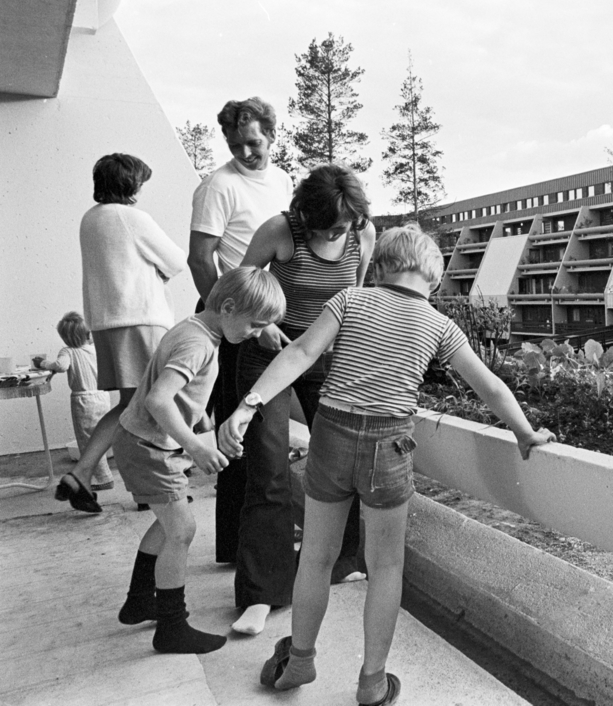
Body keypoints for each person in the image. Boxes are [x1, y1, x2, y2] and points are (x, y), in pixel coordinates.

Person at [219, 225, 554, 705]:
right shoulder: (439, 324)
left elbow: (301, 352)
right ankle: (373, 681)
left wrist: (249, 404)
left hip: (332, 434)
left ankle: (299, 660)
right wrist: (525, 432)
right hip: (388, 444)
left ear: (379, 268)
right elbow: (491, 387)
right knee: (386, 566)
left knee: (315, 557)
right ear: (434, 279)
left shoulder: (350, 300)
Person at [230, 164, 377, 636]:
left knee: (341, 459)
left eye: (349, 224)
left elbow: (354, 295)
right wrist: (265, 322)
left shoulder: (362, 232)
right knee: (269, 467)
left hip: (327, 349)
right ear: (307, 216)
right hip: (269, 351)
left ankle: (343, 561)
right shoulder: (280, 231)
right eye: (332, 225)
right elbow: (241, 285)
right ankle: (261, 593)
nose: (343, 232)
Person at [113, 267, 285, 655]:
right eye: (255, 325)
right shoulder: (199, 344)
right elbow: (159, 400)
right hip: (149, 447)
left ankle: (140, 600)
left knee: (167, 523)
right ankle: (171, 626)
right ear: (227, 307)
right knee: (182, 531)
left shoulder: (197, 331)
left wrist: (207, 429)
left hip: (147, 443)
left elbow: (185, 397)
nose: (257, 334)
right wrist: (196, 447)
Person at [188, 97, 292, 562]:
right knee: (237, 432)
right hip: (235, 316)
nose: (247, 153)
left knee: (262, 428)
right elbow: (199, 257)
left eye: (254, 143)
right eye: (236, 145)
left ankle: (255, 537)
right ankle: (234, 544)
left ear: (272, 134)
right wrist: (234, 319)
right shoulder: (218, 186)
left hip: (261, 314)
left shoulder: (284, 180)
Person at [56, 154, 188, 513]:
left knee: (132, 405)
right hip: (139, 320)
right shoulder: (131, 217)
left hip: (105, 324)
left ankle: (83, 473)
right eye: (140, 182)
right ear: (130, 185)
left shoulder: (90, 219)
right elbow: (177, 261)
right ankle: (153, 487)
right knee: (154, 402)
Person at [36, 312, 114, 493]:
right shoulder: (95, 349)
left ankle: (102, 478)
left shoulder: (68, 351)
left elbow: (61, 366)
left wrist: (45, 364)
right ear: (87, 335)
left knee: (87, 440)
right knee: (100, 437)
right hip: (102, 396)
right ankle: (103, 475)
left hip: (84, 399)